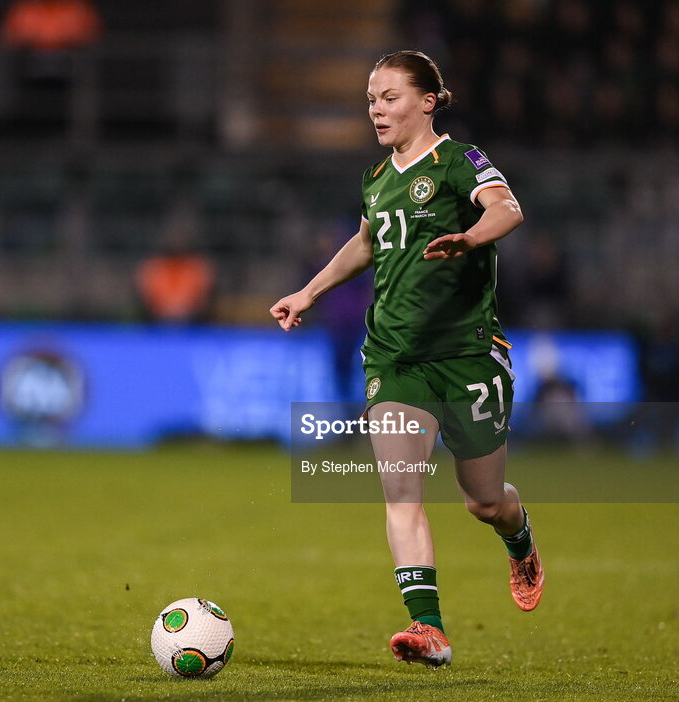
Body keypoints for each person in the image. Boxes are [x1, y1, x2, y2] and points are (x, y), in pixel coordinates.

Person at [270, 50, 541, 669]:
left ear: (426, 101)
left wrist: (471, 236)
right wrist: (309, 292)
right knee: (400, 489)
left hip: (468, 355)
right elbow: (366, 242)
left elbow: (507, 208)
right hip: (394, 357)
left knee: (483, 499)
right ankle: (430, 628)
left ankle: (519, 538)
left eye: (390, 97)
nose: (377, 109)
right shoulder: (376, 177)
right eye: (371, 99)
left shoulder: (457, 162)